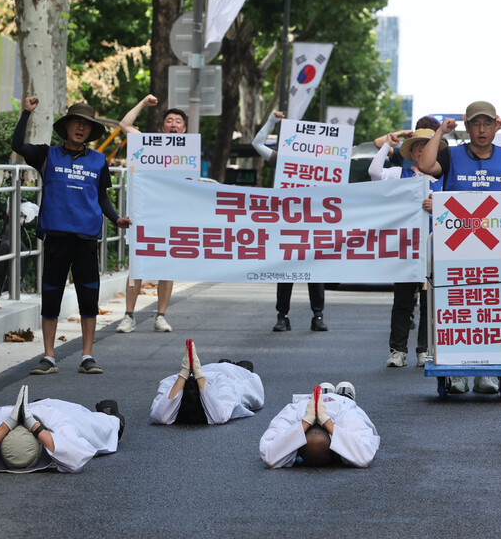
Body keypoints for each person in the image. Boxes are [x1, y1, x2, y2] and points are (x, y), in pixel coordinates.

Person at [11, 97, 132, 376]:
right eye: (76, 122)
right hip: (56, 236)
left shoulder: (99, 161)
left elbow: (101, 196)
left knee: (88, 298)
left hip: (86, 237)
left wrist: (116, 219)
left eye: (86, 125)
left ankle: (87, 355)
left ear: (90, 131)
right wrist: (26, 113)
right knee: (51, 297)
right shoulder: (47, 155)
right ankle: (49, 356)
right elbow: (18, 145)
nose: (80, 128)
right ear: (66, 126)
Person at [415, 101, 501, 395]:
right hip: (455, 248)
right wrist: (440, 131)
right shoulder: (451, 154)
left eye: (487, 124)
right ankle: (456, 371)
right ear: (467, 125)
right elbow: (425, 166)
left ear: (494, 126)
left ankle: (487, 371)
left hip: (493, 249)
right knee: (455, 307)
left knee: (490, 307)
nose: (481, 130)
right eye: (475, 124)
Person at [369, 129, 444, 368]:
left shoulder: (444, 178)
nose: (422, 148)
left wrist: (439, 206)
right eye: (417, 145)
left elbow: (460, 207)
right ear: (411, 151)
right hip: (407, 248)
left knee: (428, 301)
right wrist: (386, 145)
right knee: (402, 301)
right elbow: (374, 173)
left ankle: (425, 349)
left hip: (435, 250)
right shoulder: (399, 173)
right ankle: (398, 350)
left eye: (427, 144)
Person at [115, 94, 187, 333]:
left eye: (178, 121)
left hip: (172, 218)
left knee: (167, 267)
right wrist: (143, 103)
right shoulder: (147, 143)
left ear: (184, 130)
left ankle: (161, 315)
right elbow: (124, 125)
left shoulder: (190, 153)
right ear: (162, 127)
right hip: (144, 215)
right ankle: (128, 315)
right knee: (137, 265)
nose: (173, 124)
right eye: (169, 121)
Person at [252, 110, 327, 332]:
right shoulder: (282, 160)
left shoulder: (324, 165)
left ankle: (318, 316)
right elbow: (257, 144)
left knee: (316, 271)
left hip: (314, 224)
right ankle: (282, 315)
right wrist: (272, 121)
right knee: (286, 271)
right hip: (288, 224)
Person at [0, 384, 123, 474]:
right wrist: (9, 424)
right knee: (106, 432)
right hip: (36, 417)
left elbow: (77, 456)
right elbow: (77, 456)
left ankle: (110, 412)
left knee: (110, 425)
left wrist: (34, 424)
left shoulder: (55, 419)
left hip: (61, 414)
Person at [259, 383, 379, 468]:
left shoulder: (294, 411)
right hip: (340, 403)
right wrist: (327, 422)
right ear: (335, 451)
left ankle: (327, 393)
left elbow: (268, 454)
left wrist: (305, 421)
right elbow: (364, 455)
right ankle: (343, 396)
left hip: (306, 401)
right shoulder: (345, 411)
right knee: (346, 402)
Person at [150, 339, 264, 425]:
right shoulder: (219, 403)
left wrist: (185, 373)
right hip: (224, 376)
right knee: (244, 370)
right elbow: (219, 416)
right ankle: (239, 367)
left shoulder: (174, 384)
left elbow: (161, 415)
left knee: (225, 366)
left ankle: (226, 364)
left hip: (210, 373)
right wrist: (196, 373)